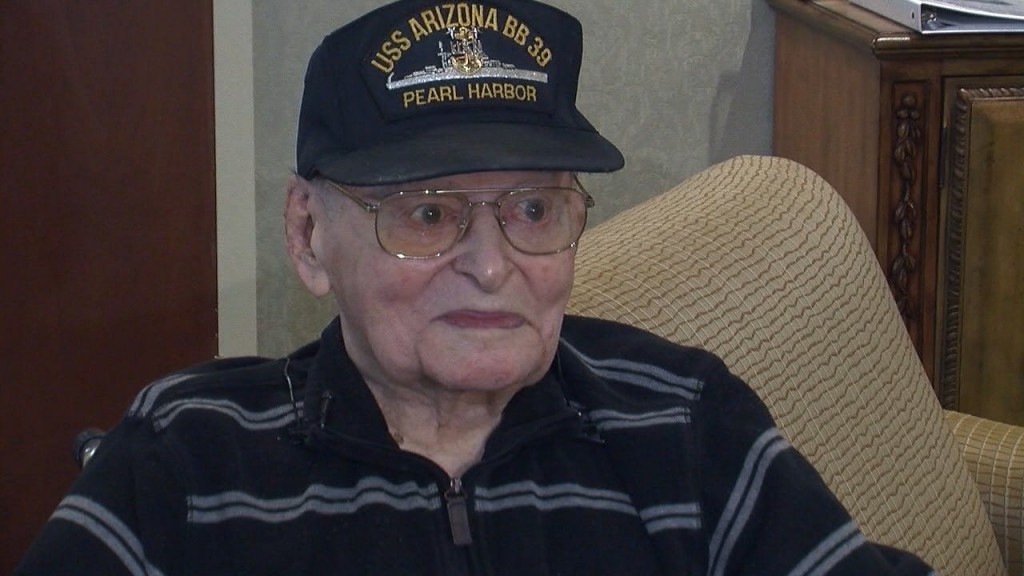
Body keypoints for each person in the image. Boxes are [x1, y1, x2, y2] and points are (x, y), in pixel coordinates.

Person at [16, 0, 936, 574]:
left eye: (532, 210)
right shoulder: (189, 457)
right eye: (427, 214)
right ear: (307, 235)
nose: (493, 267)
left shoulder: (685, 422)